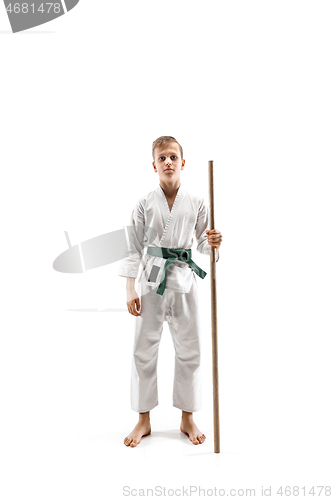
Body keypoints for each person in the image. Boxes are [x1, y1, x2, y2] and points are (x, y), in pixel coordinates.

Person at [118, 136, 222, 448]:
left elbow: (203, 244)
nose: (167, 162)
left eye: (173, 157)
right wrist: (129, 287)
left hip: (184, 277)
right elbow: (133, 246)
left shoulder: (198, 202)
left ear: (182, 162)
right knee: (143, 349)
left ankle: (187, 416)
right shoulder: (144, 203)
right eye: (162, 158)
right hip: (151, 275)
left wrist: (213, 242)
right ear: (154, 165)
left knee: (190, 348)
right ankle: (143, 419)